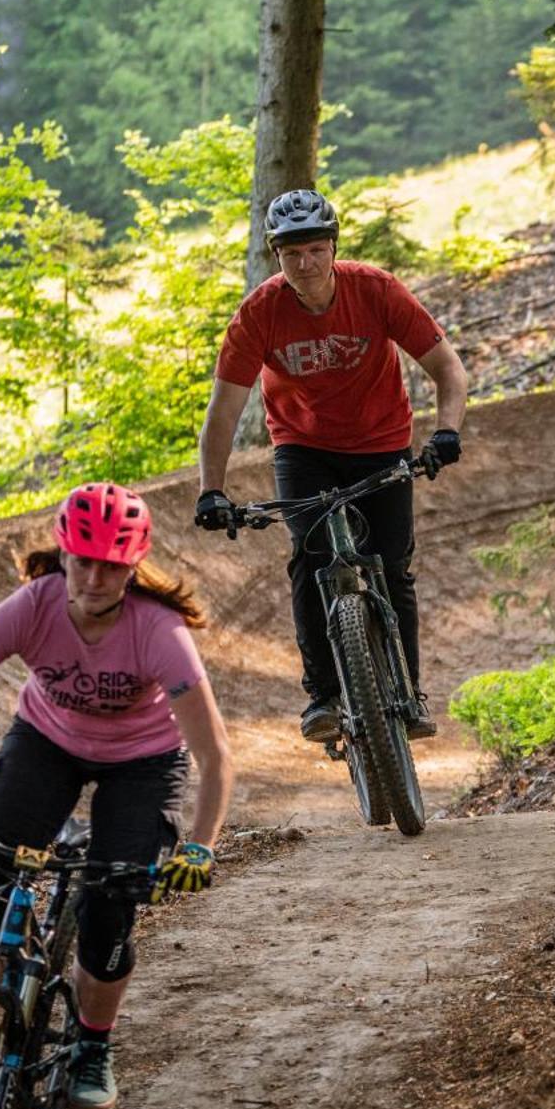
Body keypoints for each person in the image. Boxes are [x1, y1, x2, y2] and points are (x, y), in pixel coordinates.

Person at [0, 482, 233, 1109]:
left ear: (132, 565)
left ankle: (92, 1043)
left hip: (142, 763)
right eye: (83, 560)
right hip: (47, 743)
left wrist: (200, 845)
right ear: (63, 554)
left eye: (111, 565)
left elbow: (215, 755)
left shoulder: (160, 631)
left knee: (109, 908)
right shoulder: (31, 607)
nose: (94, 577)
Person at [193, 188, 469, 743]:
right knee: (311, 557)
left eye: (316, 250)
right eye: (291, 254)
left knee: (392, 568)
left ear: (334, 247)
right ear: (276, 256)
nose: (305, 264)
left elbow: (449, 369)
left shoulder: (376, 290)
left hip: (382, 440)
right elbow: (223, 412)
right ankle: (322, 696)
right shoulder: (259, 315)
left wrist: (446, 432)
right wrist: (211, 490)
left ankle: (409, 693)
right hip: (303, 448)